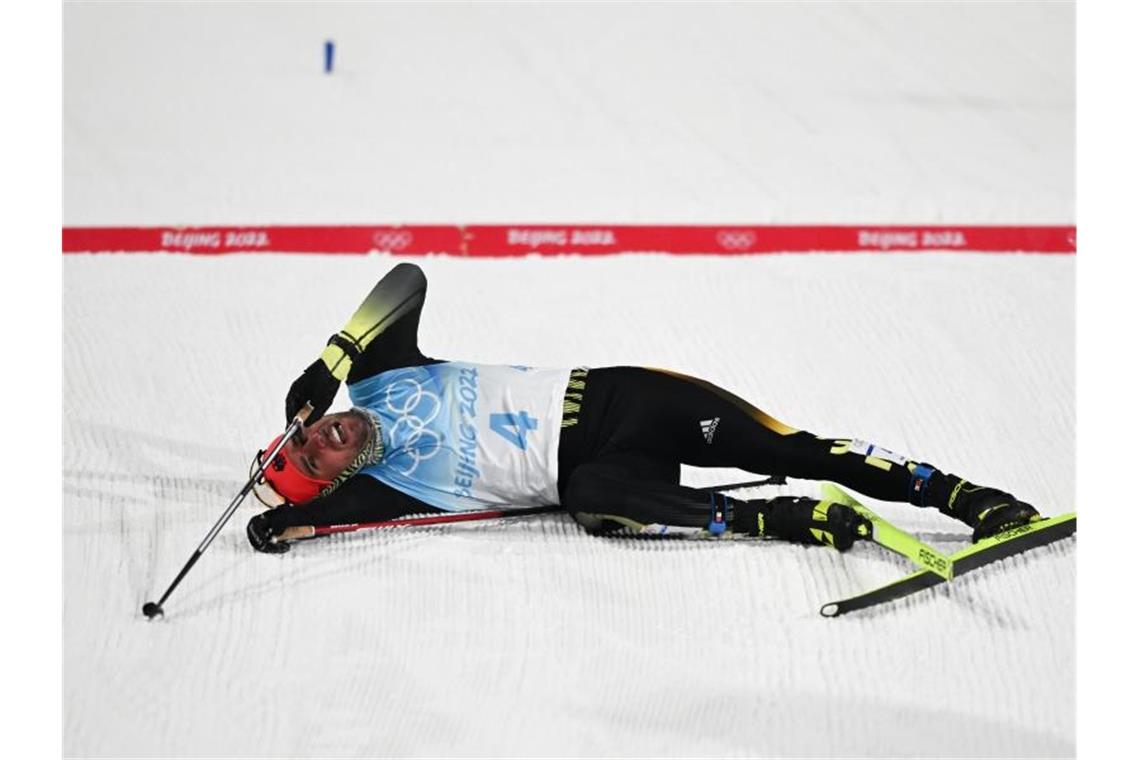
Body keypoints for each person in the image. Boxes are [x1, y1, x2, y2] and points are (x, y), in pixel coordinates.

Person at [246, 263, 1040, 554]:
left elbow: (406, 280)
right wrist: (282, 521)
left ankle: (967, 497)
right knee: (593, 503)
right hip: (605, 470)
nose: (322, 436)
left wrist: (332, 357)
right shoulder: (394, 489)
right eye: (315, 457)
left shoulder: (375, 378)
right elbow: (320, 521)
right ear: (339, 479)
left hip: (624, 397)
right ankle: (784, 521)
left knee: (790, 444)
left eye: (308, 431)